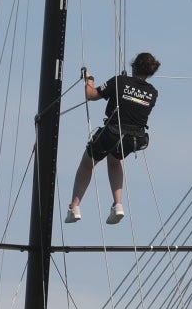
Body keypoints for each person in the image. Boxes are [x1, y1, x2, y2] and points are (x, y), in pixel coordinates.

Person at [66, 52, 160, 225]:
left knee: (87, 164)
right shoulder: (152, 92)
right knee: (114, 162)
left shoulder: (120, 81)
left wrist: (90, 80)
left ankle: (75, 207)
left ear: (133, 66)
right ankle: (118, 205)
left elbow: (91, 95)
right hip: (134, 139)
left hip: (113, 133)